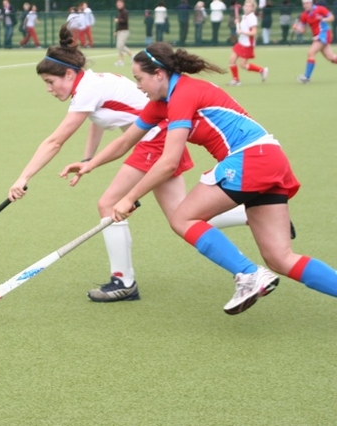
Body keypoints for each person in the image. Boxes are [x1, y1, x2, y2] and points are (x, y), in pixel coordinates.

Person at [62, 42, 337, 314]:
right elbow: (125, 142)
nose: (138, 86)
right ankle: (254, 273)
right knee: (280, 258)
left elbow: (169, 162)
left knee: (183, 218)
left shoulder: (183, 93)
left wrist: (130, 198)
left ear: (159, 74)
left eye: (140, 78)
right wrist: (90, 164)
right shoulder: (161, 104)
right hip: (270, 159)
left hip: (249, 159)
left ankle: (247, 274)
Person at [8, 23, 253, 303]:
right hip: (162, 136)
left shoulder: (88, 89)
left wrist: (23, 177)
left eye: (50, 82)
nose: (49, 89)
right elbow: (97, 121)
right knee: (181, 215)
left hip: (156, 139)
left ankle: (123, 281)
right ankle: (250, 214)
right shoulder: (91, 84)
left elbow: (55, 141)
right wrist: (89, 159)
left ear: (68, 73)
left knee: (109, 204)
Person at [228, 0, 268, 85]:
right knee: (232, 60)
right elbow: (244, 27)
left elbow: (254, 32)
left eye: (249, 6)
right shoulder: (245, 16)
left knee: (242, 65)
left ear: (253, 8)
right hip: (241, 42)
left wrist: (242, 32)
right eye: (246, 6)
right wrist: (237, 23)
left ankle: (262, 70)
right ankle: (236, 80)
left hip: (247, 44)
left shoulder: (252, 18)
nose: (246, 7)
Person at [295, 0, 336, 83]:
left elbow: (332, 18)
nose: (305, 5)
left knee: (311, 53)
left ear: (311, 3)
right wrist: (297, 28)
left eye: (307, 3)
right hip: (317, 36)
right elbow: (303, 30)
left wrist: (323, 19)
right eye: (304, 4)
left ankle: (307, 77)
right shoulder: (304, 15)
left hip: (324, 34)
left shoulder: (320, 9)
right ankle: (307, 77)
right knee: (331, 57)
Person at [114, 0, 132, 65]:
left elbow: (125, 21)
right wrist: (116, 31)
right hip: (119, 31)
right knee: (119, 46)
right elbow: (118, 24)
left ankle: (132, 55)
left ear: (123, 4)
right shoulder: (118, 12)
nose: (118, 5)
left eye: (120, 3)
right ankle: (121, 60)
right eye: (117, 4)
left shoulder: (125, 12)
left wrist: (118, 20)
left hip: (124, 31)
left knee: (120, 45)